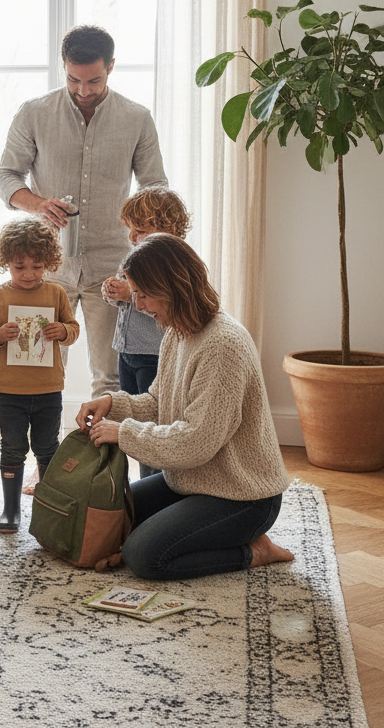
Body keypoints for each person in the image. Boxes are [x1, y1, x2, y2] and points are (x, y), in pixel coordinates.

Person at [76, 234, 294, 580]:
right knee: (107, 516)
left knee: (144, 555)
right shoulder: (177, 332)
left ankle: (254, 550)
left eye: (144, 295)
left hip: (243, 497)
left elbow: (196, 442)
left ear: (172, 286)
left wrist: (123, 433)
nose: (140, 305)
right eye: (136, 295)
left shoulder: (224, 344)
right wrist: (111, 403)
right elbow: (157, 403)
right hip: (191, 482)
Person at [0, 25, 167, 400]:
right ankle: (46, 459)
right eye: (74, 79)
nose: (83, 90)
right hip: (47, 265)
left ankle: (107, 460)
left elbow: (156, 188)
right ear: (63, 67)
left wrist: (146, 238)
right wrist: (38, 204)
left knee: (111, 376)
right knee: (37, 367)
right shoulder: (34, 113)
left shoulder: (137, 118)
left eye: (94, 80)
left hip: (115, 265)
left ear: (111, 67)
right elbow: (6, 176)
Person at [0, 216, 80, 534]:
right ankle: (10, 510)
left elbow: (73, 330)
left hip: (49, 388)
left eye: (36, 267)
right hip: (10, 391)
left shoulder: (57, 294)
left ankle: (47, 508)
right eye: (20, 267)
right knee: (12, 447)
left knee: (48, 447)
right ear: (6, 261)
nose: (29, 274)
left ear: (48, 262)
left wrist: (62, 329)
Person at [101, 187, 192, 479]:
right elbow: (126, 295)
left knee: (151, 421)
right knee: (131, 417)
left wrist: (131, 294)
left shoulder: (172, 264)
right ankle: (136, 479)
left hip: (153, 354)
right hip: (127, 351)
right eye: (130, 229)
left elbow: (169, 307)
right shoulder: (137, 257)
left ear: (167, 229)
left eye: (139, 230)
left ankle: (153, 480)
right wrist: (114, 294)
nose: (131, 237)